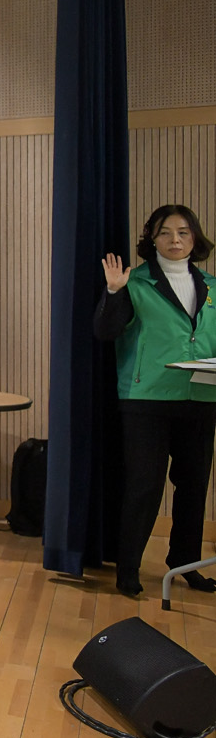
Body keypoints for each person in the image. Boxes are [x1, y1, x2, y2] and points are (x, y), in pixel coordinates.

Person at [96, 204, 216, 598]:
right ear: (152, 238)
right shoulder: (134, 282)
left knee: (194, 486)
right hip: (146, 398)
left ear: (195, 237)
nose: (175, 240)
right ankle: (128, 567)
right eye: (165, 232)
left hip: (201, 396)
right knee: (145, 485)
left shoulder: (212, 286)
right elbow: (105, 331)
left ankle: (185, 564)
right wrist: (113, 291)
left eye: (183, 232)